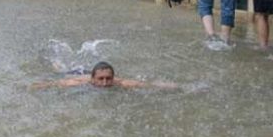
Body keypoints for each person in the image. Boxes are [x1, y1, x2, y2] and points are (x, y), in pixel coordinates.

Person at [32, 62, 176, 89]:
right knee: (62, 72)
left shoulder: (118, 83)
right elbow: (56, 84)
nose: (105, 83)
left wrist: (169, 86)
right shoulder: (81, 82)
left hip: (94, 71)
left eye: (108, 79)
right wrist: (36, 86)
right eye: (101, 79)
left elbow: (143, 84)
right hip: (78, 73)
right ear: (94, 79)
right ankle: (58, 66)